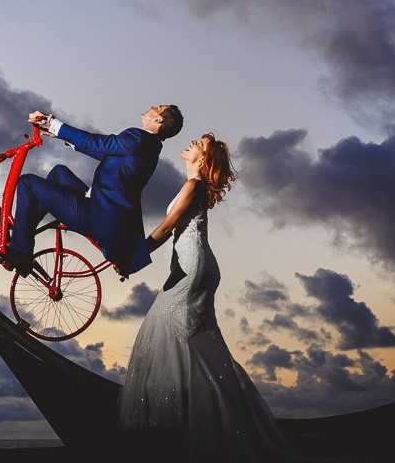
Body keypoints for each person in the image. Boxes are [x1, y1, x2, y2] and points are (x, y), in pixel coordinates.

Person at [118, 133, 304, 460]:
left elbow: (167, 226)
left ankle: (200, 429)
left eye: (198, 144)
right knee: (197, 346)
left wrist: (134, 257)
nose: (191, 143)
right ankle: (215, 422)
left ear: (203, 159)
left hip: (192, 269)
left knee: (170, 333)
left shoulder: (194, 186)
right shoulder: (193, 185)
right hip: (196, 267)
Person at [0, 104, 183, 278]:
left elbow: (96, 143)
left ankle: (20, 255)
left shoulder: (138, 139)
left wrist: (52, 123)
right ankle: (22, 228)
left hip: (95, 217)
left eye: (157, 108)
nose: (151, 107)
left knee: (27, 183)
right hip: (101, 208)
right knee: (60, 173)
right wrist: (60, 135)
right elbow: (104, 152)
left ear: (158, 120)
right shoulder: (149, 147)